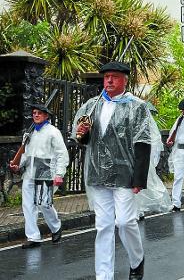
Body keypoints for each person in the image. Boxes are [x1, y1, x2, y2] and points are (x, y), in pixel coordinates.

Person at [72, 61, 151, 279]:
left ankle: (137, 259)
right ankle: (103, 275)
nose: (108, 80)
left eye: (114, 76)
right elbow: (82, 139)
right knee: (103, 226)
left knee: (125, 222)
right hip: (98, 174)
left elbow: (143, 142)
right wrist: (82, 131)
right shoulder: (91, 105)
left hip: (125, 174)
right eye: (106, 76)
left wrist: (139, 178)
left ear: (125, 79)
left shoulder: (137, 106)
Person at [9, 104, 68, 249]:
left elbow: (62, 153)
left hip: (46, 170)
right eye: (34, 113)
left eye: (39, 113)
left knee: (43, 203)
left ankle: (56, 227)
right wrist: (19, 165)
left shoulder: (53, 132)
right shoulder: (29, 133)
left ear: (46, 116)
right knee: (28, 205)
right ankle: (33, 237)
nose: (36, 115)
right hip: (29, 171)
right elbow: (25, 153)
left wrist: (59, 173)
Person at [136, 106, 173, 219]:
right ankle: (138, 210)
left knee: (144, 183)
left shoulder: (147, 123)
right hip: (132, 159)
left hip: (143, 159)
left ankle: (139, 210)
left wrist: (148, 158)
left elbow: (154, 141)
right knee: (135, 186)